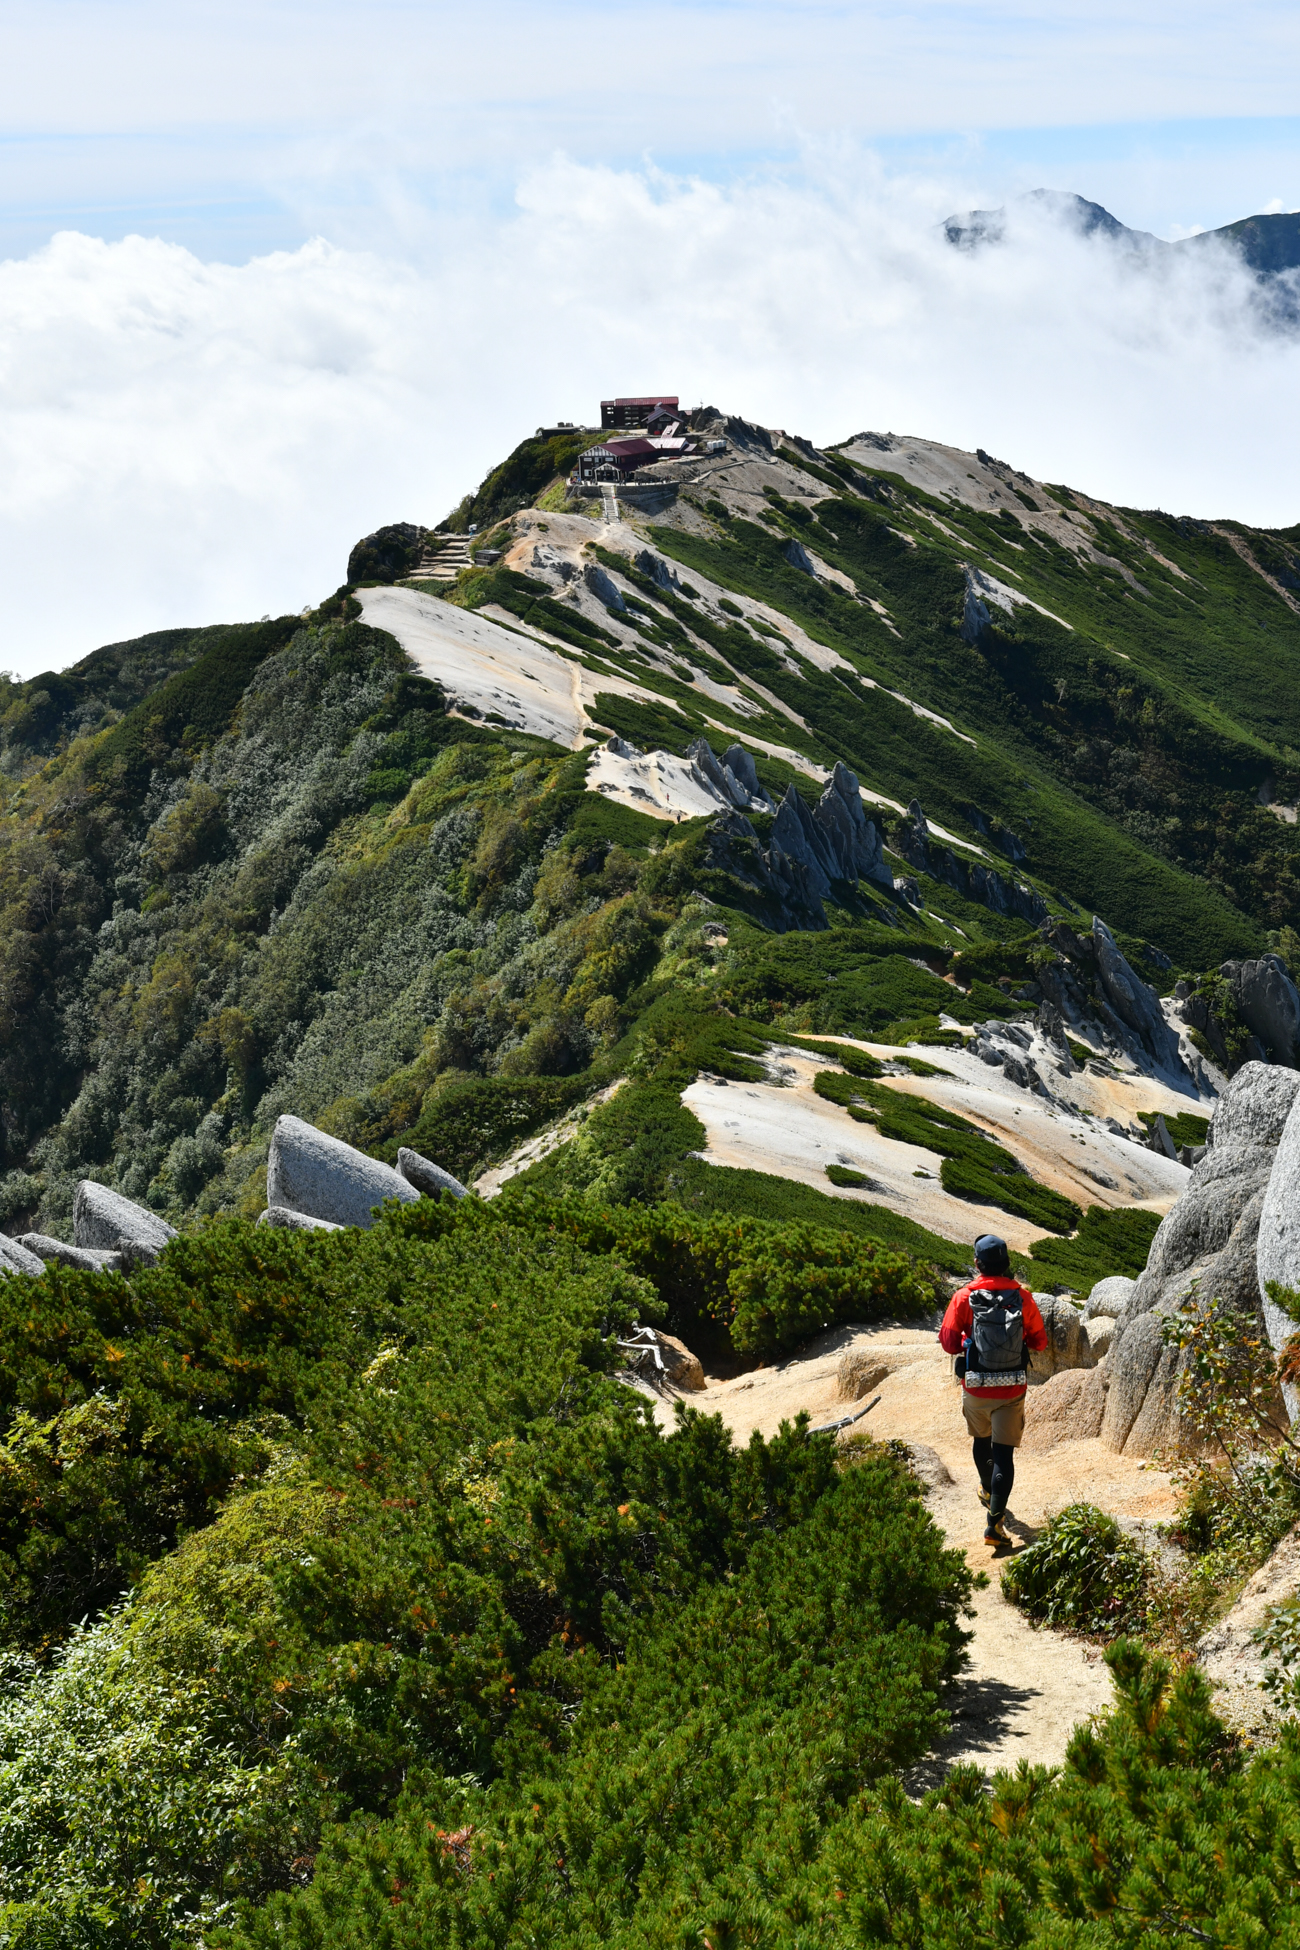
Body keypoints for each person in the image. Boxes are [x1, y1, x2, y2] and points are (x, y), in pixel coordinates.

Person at [938, 1234, 1048, 1546]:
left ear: (977, 1263)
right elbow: (1040, 1342)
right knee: (1004, 1455)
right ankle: (994, 1526)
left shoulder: (963, 1297)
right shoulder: (1022, 1298)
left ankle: (987, 1489)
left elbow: (948, 1343)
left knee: (981, 1442)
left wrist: (968, 1343)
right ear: (1007, 1264)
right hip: (1012, 1387)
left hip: (976, 1386)